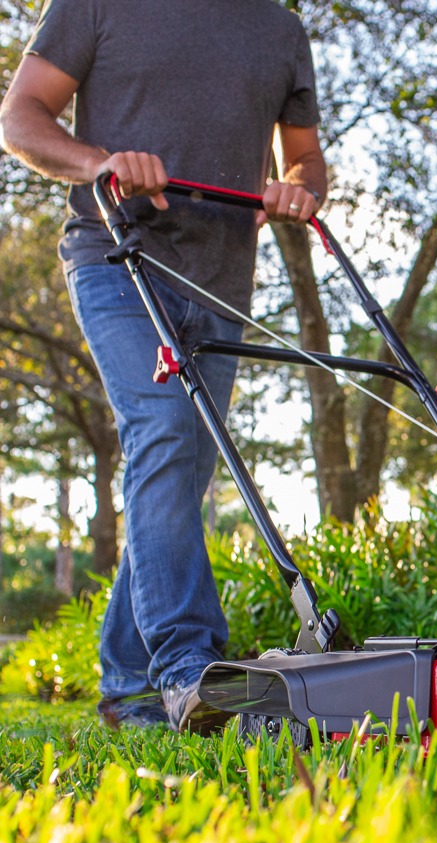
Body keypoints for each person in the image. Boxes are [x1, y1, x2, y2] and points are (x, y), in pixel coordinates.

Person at [0, 0, 328, 732]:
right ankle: (187, 669)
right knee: (165, 433)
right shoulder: (95, 5)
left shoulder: (278, 28)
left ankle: (125, 682)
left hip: (220, 278)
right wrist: (100, 163)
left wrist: (297, 187)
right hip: (115, 256)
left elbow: (305, 158)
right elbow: (20, 115)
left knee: (177, 470)